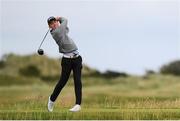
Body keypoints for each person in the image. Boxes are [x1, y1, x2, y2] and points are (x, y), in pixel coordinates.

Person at [47, 16, 82, 112]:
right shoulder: (56, 32)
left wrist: (59, 22)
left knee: (77, 81)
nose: (54, 24)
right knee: (62, 82)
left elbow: (66, 29)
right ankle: (51, 99)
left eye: (55, 22)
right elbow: (65, 20)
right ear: (50, 27)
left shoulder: (61, 30)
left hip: (77, 58)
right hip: (67, 61)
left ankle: (78, 105)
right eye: (51, 24)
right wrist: (59, 18)